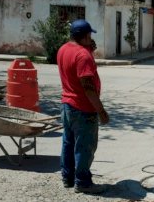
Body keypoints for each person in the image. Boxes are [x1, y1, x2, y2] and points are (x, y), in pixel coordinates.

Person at [57, 19, 109, 194]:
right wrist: (100, 110)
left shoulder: (63, 49)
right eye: (89, 35)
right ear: (86, 36)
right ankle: (83, 182)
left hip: (66, 105)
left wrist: (88, 50)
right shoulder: (83, 55)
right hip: (83, 108)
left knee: (68, 142)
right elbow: (88, 86)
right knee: (85, 146)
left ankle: (68, 177)